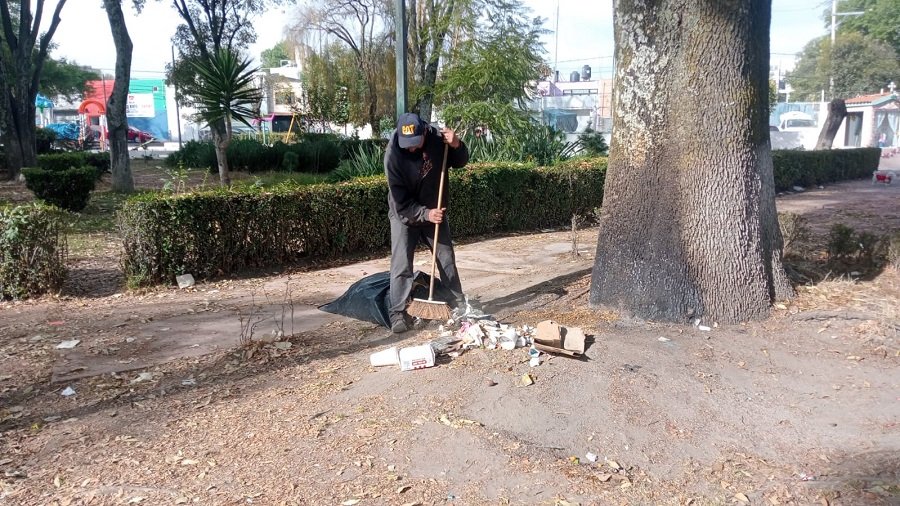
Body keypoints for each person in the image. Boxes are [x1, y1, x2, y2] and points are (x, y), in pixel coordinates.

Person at [385, 112, 469, 333]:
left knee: (446, 258)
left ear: (424, 130)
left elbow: (459, 161)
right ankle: (398, 313)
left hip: (435, 209)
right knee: (401, 264)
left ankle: (458, 304)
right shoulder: (393, 155)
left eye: (416, 142)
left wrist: (457, 145)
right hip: (405, 214)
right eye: (407, 144)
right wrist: (425, 214)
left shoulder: (437, 139)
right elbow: (400, 201)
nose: (412, 148)